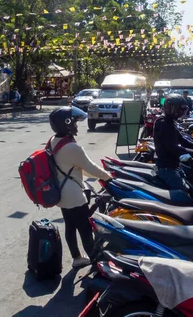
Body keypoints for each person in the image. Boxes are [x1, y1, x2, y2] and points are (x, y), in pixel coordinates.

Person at [49, 106, 112, 268]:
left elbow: (80, 168)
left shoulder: (53, 141)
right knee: (85, 229)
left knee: (70, 226)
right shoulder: (72, 147)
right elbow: (90, 169)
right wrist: (108, 177)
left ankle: (77, 258)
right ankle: (96, 263)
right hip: (74, 195)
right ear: (67, 123)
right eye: (75, 122)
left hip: (61, 193)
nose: (77, 126)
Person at [153, 94, 193, 191]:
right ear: (172, 109)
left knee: (191, 182)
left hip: (175, 165)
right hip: (166, 168)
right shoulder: (163, 123)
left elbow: (181, 139)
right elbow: (173, 147)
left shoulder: (170, 122)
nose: (181, 112)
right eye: (180, 109)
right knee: (183, 193)